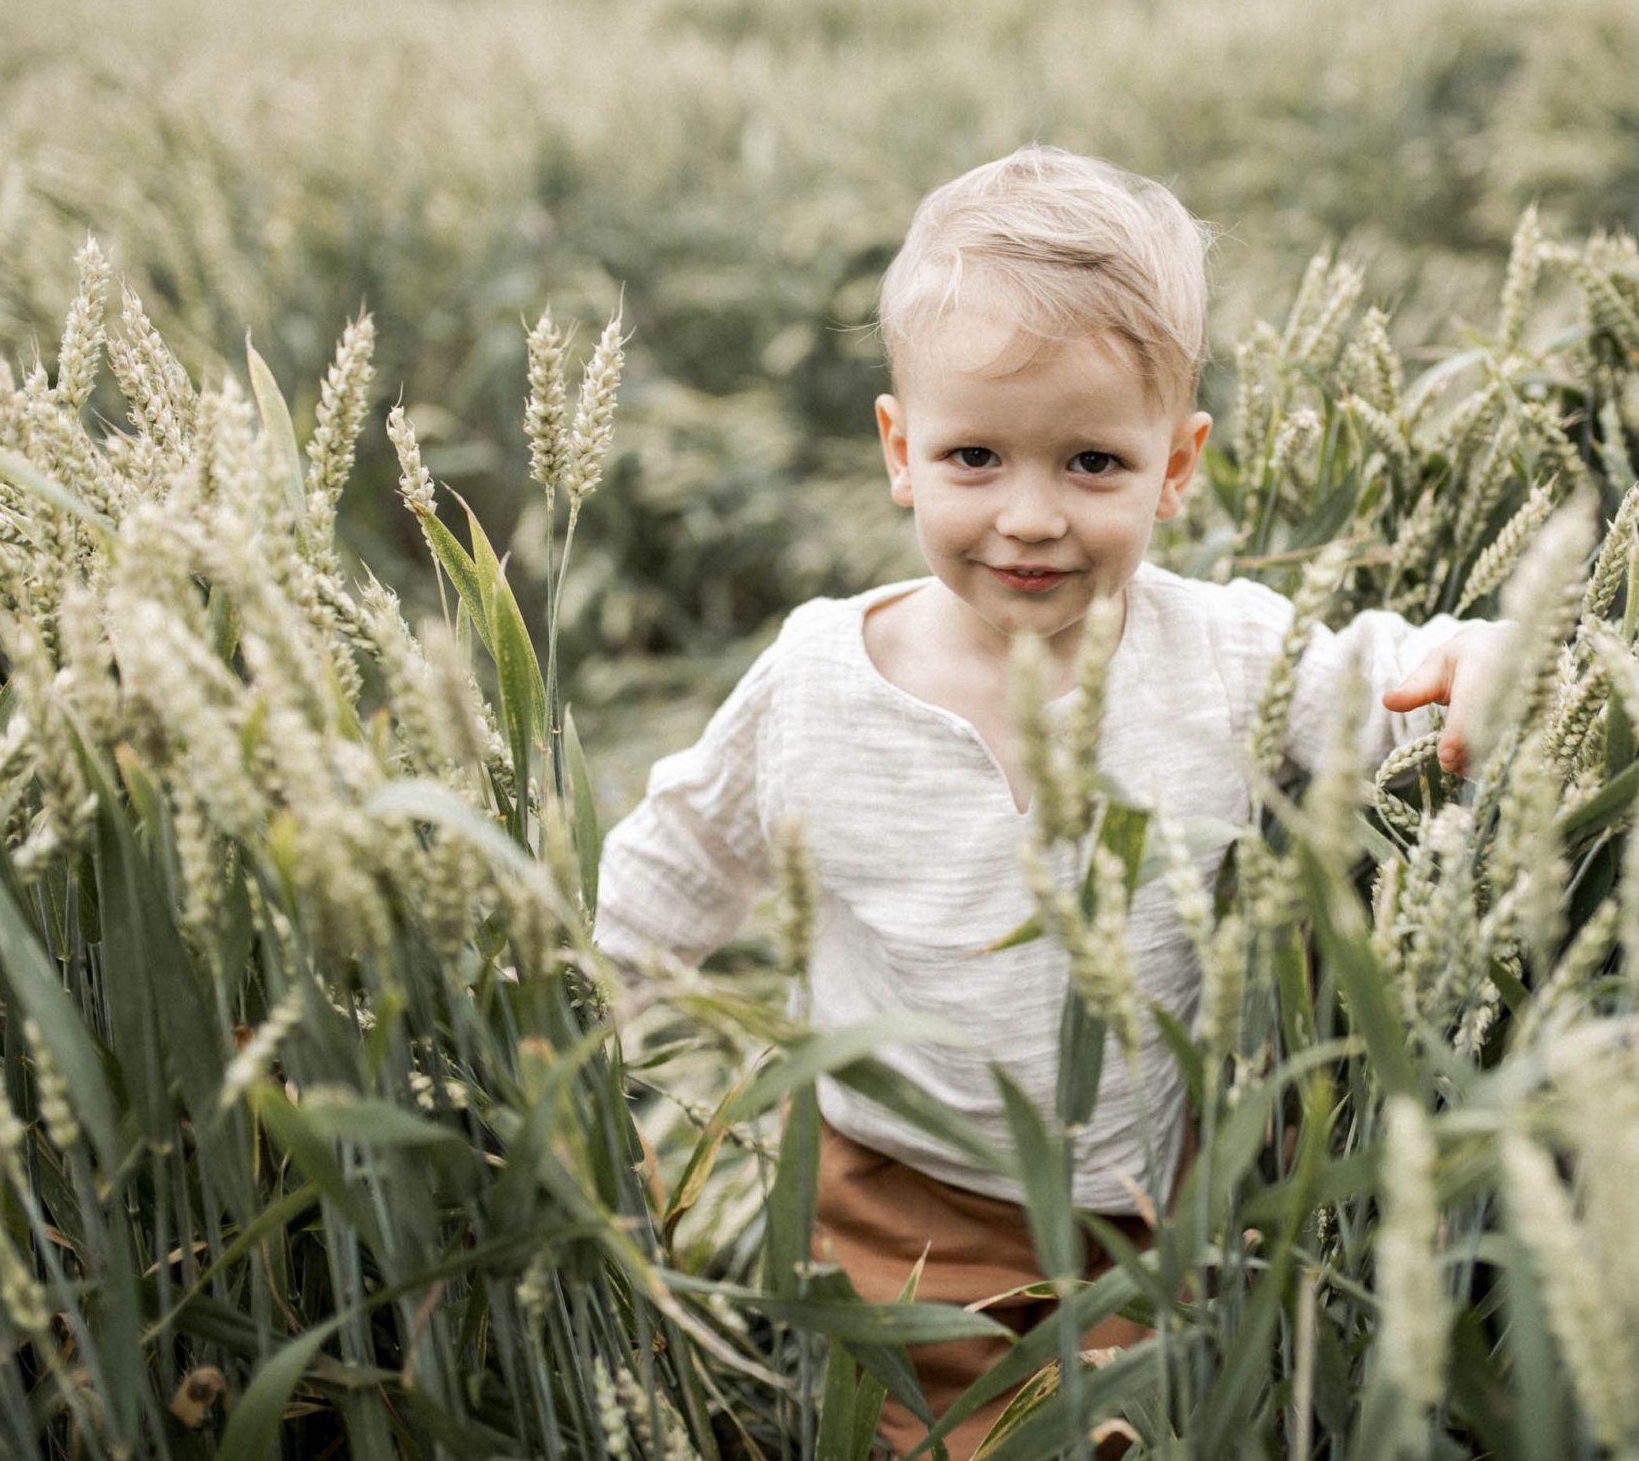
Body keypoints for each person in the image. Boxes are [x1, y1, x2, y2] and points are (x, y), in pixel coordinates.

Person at [594, 144, 1513, 1454]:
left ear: (1177, 467)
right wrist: (579, 1014)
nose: (1030, 516)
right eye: (976, 457)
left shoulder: (1223, 657)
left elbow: (1377, 681)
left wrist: (1467, 656)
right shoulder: (816, 683)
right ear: (900, 451)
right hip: (893, 1210)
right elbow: (673, 862)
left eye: (1091, 463)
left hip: (1150, 1211)